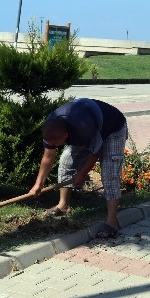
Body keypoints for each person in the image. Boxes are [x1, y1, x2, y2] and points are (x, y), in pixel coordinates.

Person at [29, 98, 127, 238]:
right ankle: (63, 205)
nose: (55, 145)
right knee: (65, 162)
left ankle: (112, 222)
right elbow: (48, 157)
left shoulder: (83, 128)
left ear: (66, 135)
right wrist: (38, 184)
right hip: (89, 121)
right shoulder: (51, 127)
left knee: (109, 174)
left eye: (57, 143)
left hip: (112, 128)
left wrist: (82, 174)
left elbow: (95, 153)